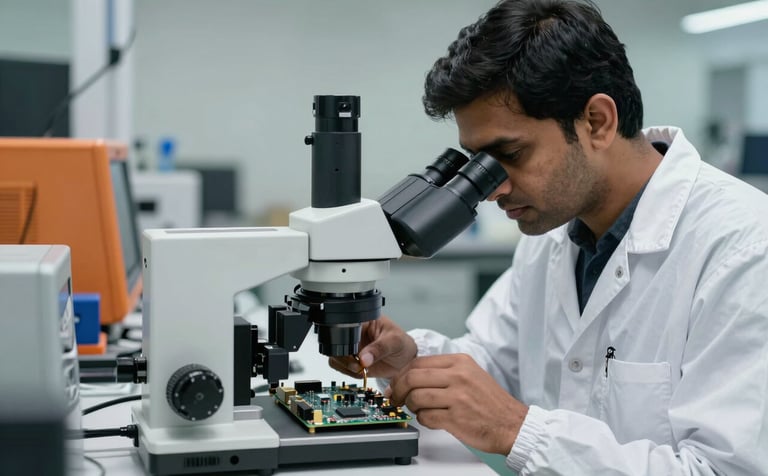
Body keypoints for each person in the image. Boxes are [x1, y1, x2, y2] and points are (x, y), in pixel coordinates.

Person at [330, 0, 768, 474]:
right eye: (477, 163)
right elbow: (497, 362)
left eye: (510, 153)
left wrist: (518, 430)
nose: (491, 187)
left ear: (597, 122)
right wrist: (412, 359)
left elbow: (723, 469)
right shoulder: (552, 231)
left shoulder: (744, 248)